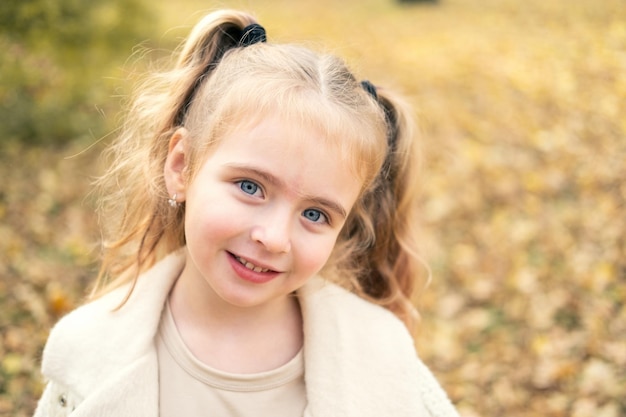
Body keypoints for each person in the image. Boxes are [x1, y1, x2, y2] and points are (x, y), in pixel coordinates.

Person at [34, 9, 459, 417]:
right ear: (181, 166)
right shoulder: (89, 358)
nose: (274, 237)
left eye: (315, 215)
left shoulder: (381, 357)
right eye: (251, 187)